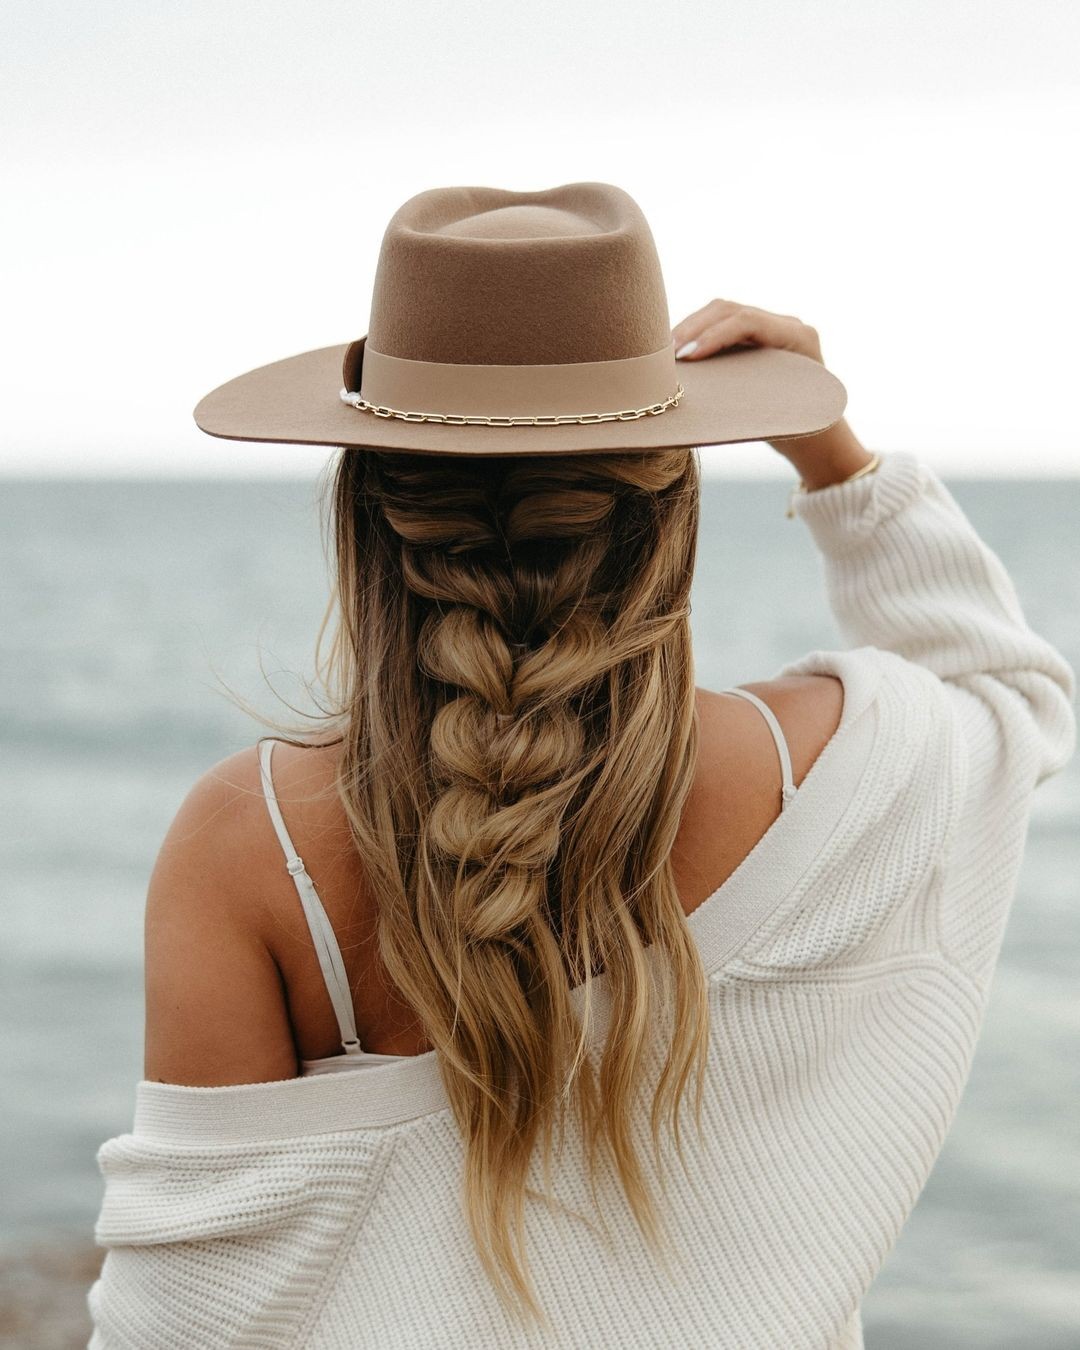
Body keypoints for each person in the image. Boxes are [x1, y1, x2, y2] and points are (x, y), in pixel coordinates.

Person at [86, 184, 1075, 1349]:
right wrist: (831, 452)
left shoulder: (252, 839)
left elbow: (181, 1323)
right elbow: (1015, 693)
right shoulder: (850, 769)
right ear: (673, 495)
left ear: (365, 499)